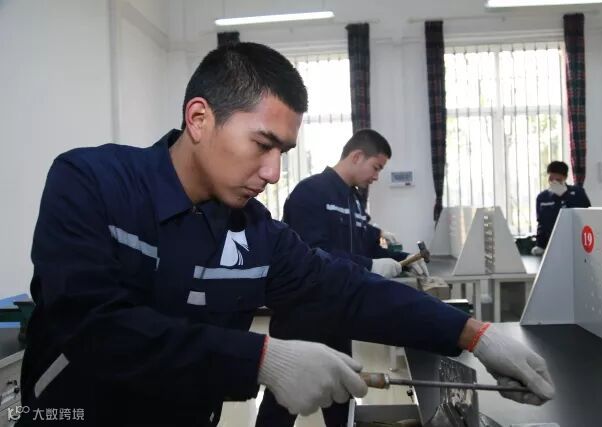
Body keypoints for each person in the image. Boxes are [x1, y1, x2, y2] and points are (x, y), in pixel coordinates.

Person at [20, 42, 554, 427]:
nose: (274, 173)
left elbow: (345, 288)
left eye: (284, 153)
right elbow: (95, 328)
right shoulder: (91, 183)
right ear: (199, 119)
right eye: (262, 145)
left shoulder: (255, 233)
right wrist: (259, 358)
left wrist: (474, 335)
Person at [256, 129, 429, 426]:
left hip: (338, 313)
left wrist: (404, 261)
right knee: (283, 400)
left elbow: (366, 246)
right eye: (376, 167)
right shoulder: (310, 192)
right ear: (357, 156)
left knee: (341, 394)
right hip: (302, 313)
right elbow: (312, 252)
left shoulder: (355, 200)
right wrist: (369, 265)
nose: (377, 177)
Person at [532, 161, 591, 255]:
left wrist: (565, 195)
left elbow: (586, 213)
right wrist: (540, 245)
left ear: (565, 177)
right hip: (550, 244)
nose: (553, 182)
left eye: (557, 179)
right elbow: (541, 223)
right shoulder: (542, 197)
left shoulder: (577, 192)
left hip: (574, 242)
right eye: (551, 178)